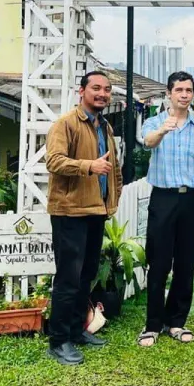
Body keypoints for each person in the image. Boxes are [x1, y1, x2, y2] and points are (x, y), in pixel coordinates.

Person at [43, 71, 122, 366]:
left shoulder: (104, 126)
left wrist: (112, 197)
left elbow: (112, 168)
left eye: (107, 90)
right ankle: (58, 340)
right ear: (82, 91)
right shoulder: (65, 124)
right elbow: (54, 161)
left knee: (86, 275)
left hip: (94, 211)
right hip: (69, 212)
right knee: (68, 278)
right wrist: (89, 166)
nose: (102, 94)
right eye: (96, 88)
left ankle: (77, 330)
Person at [137, 71, 194, 348]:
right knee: (160, 263)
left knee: (186, 263)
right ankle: (153, 324)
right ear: (169, 93)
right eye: (179, 90)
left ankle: (177, 321)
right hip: (163, 199)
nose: (184, 95)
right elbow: (147, 142)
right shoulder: (153, 122)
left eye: (189, 90)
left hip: (192, 199)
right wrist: (164, 129)